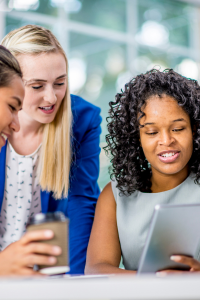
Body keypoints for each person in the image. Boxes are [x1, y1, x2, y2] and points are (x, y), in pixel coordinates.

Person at [0, 25, 101, 276]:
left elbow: (81, 204)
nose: (51, 98)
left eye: (59, 83)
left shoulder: (82, 120)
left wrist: (74, 284)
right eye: (36, 86)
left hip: (47, 273)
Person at [85, 68, 200, 275]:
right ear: (136, 138)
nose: (166, 141)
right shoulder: (115, 196)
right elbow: (96, 270)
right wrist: (158, 282)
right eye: (152, 132)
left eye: (178, 129)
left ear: (194, 130)